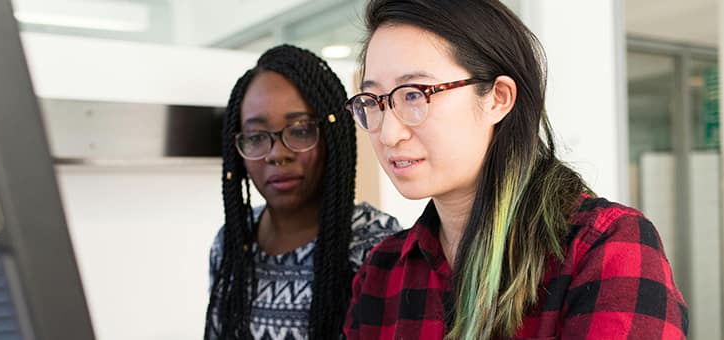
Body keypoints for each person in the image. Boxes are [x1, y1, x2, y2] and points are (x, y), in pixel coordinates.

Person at [341, 1, 688, 339]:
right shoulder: (383, 271)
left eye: (414, 95)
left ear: (498, 97)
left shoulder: (604, 248)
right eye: (373, 101)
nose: (388, 133)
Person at [204, 44, 402, 340]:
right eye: (256, 137)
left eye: (299, 130)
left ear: (331, 138)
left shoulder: (374, 244)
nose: (276, 154)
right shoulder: (231, 242)